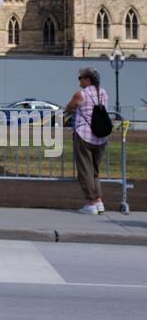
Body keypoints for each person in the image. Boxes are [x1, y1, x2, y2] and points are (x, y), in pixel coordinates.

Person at [64, 67, 110, 213]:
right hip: (101, 137)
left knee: (85, 171)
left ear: (88, 79)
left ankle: (91, 203)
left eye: (80, 78)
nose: (79, 81)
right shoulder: (103, 92)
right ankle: (98, 201)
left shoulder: (80, 94)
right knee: (95, 171)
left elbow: (69, 108)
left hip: (84, 135)